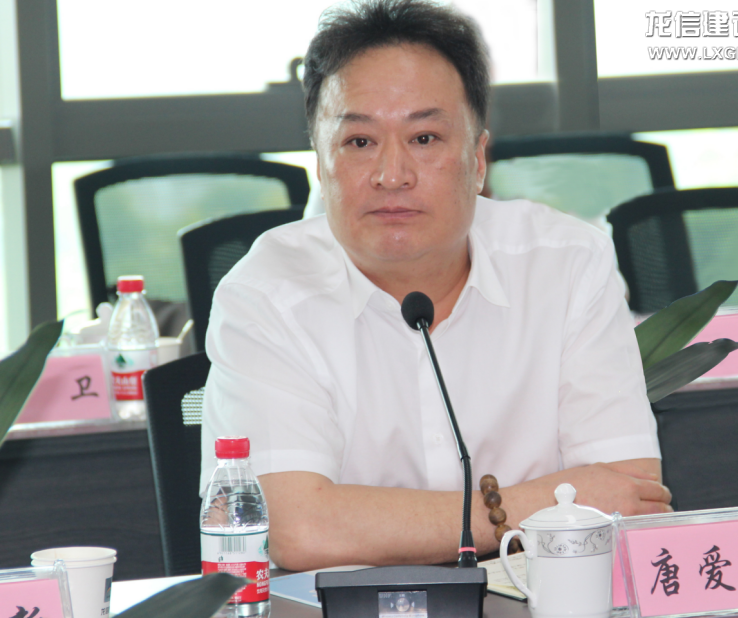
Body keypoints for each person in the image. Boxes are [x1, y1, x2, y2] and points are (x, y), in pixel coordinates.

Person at [200, 0, 671, 572]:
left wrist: (377, 523)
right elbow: (297, 530)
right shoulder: (265, 295)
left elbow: (628, 496)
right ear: (321, 165)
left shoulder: (568, 265)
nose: (392, 175)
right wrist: (524, 509)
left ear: (477, 159)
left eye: (424, 138)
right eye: (359, 142)